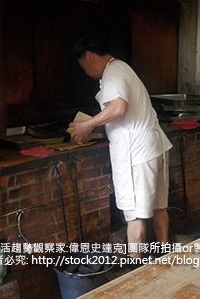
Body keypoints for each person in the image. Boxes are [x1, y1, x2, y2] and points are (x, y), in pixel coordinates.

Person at [68, 37, 173, 258]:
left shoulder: (112, 73)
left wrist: (87, 124)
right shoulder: (122, 67)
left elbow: (118, 108)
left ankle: (137, 273)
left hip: (137, 154)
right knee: (158, 207)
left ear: (89, 56)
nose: (85, 72)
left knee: (135, 216)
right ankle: (165, 258)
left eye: (83, 67)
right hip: (152, 146)